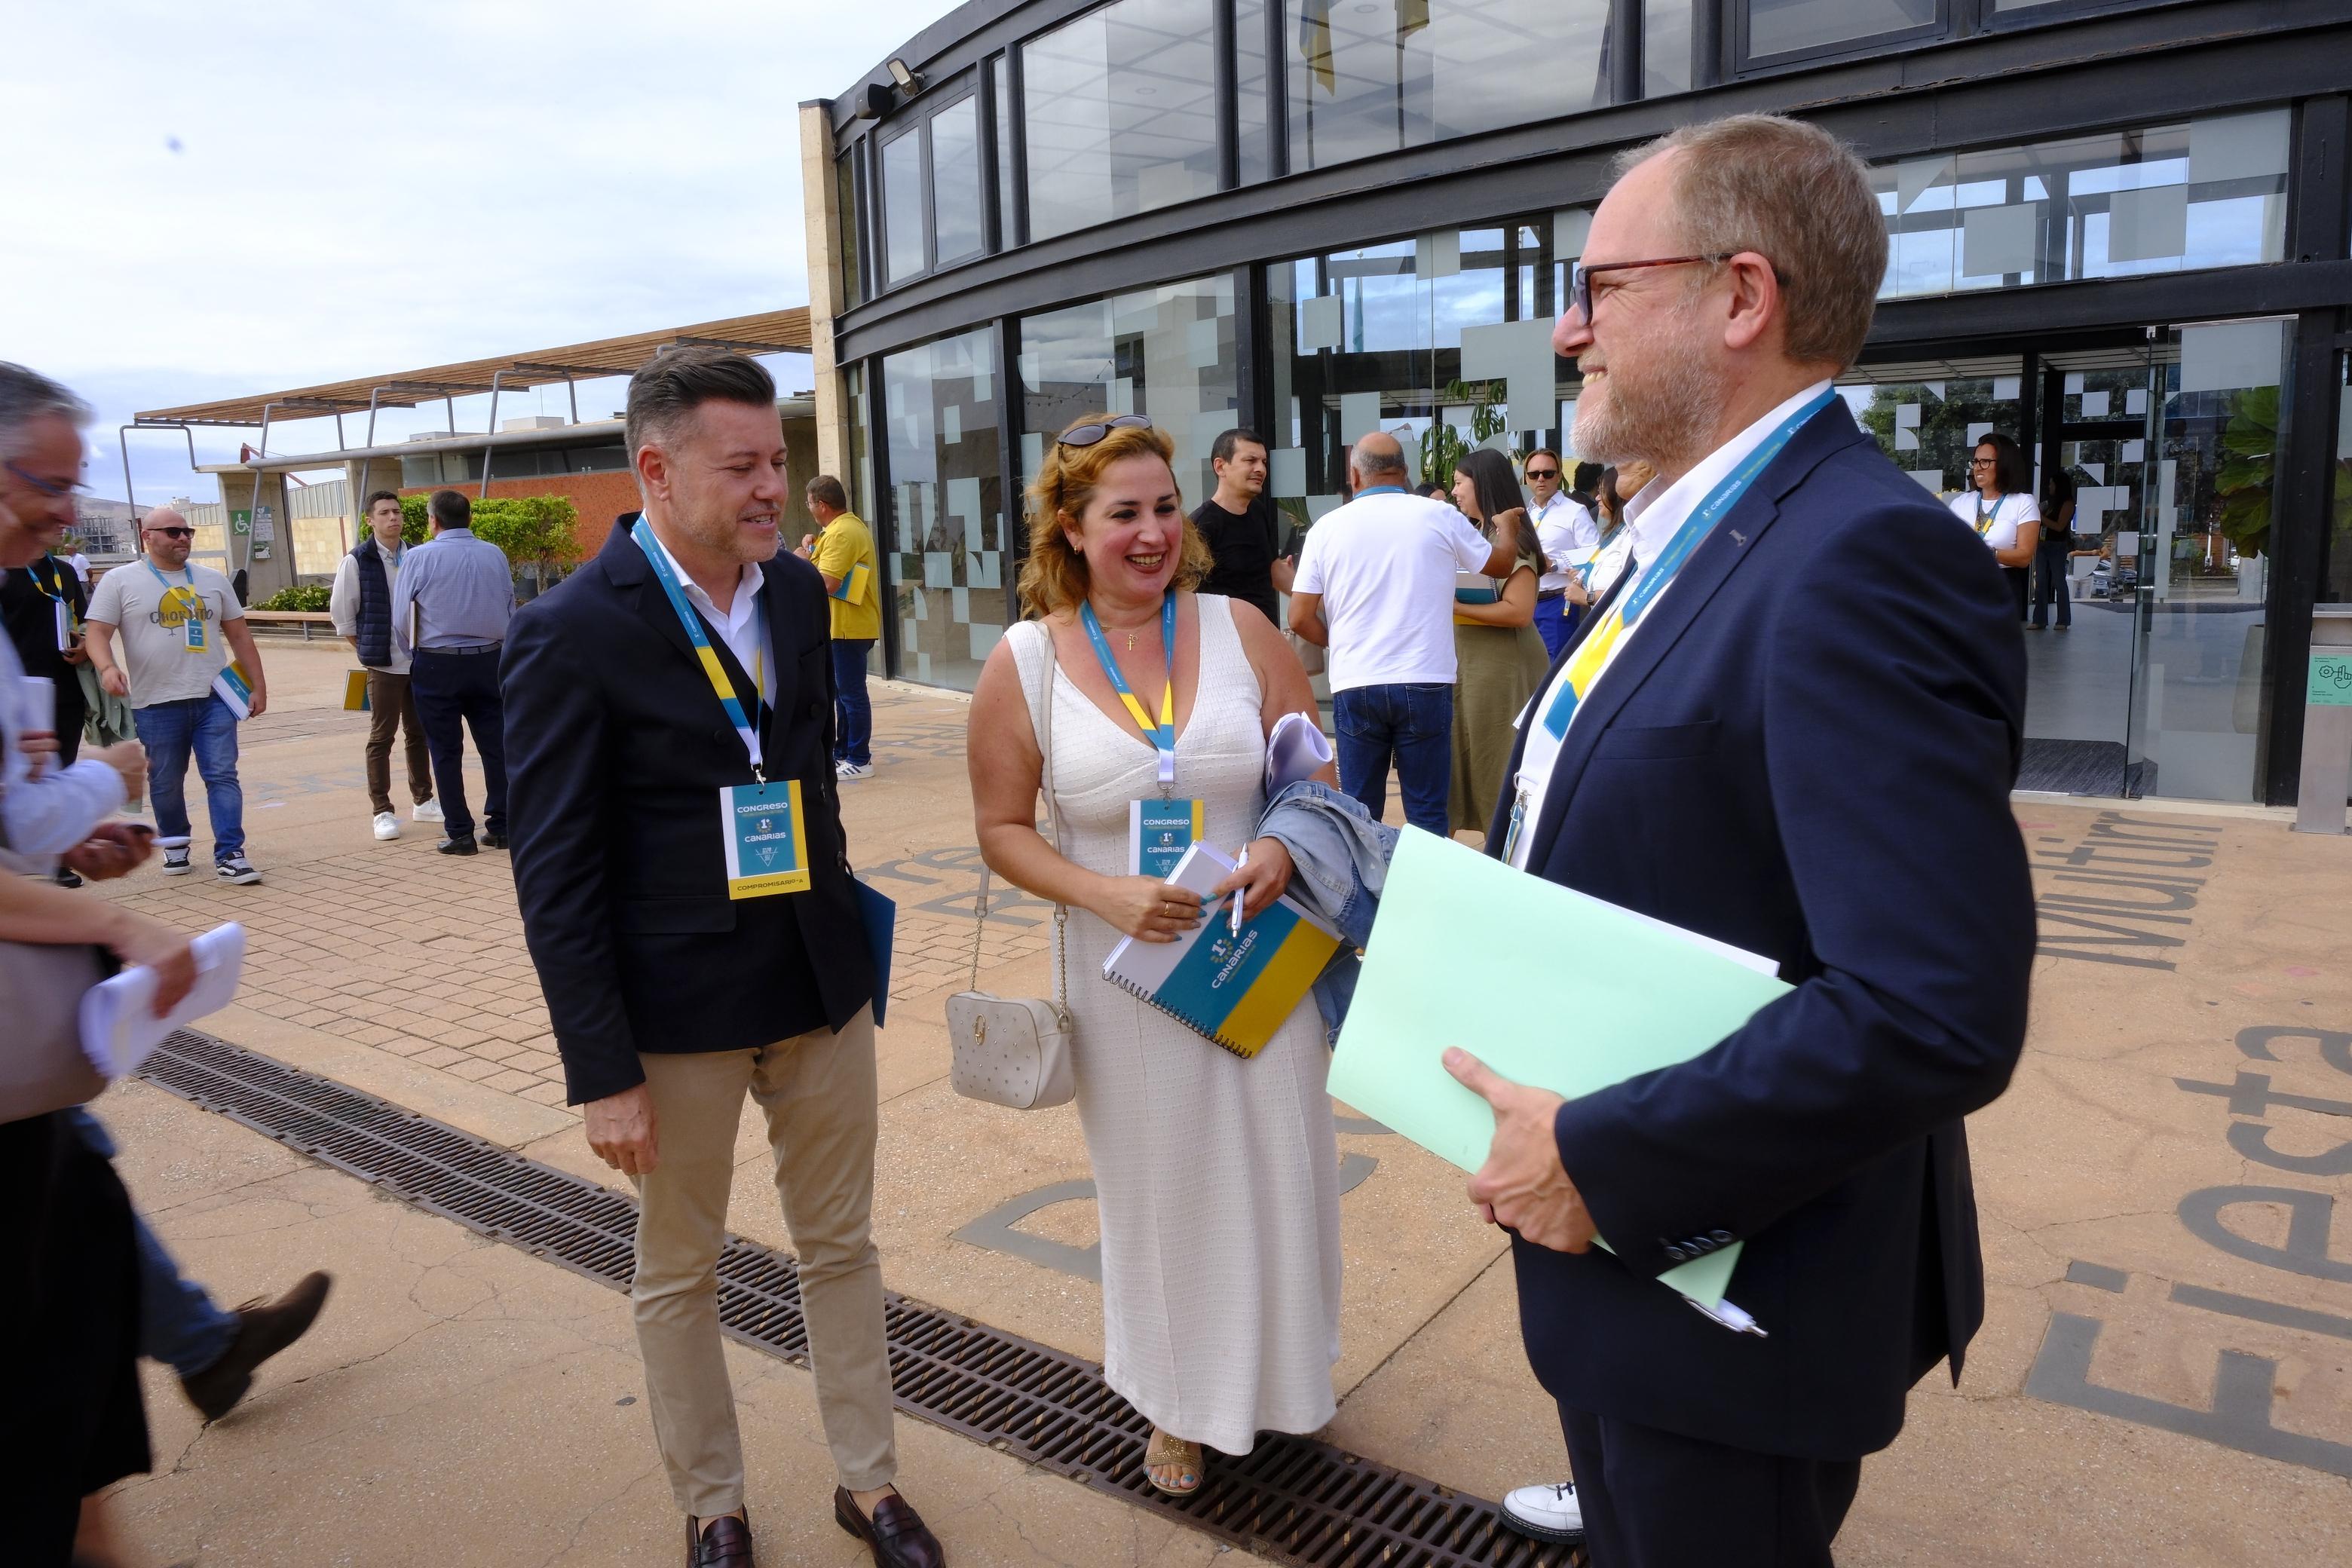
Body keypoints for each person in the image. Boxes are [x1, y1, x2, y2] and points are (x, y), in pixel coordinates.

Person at [1456, 115, 2030, 1566]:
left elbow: (1930, 1007)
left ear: (1740, 296)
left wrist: (1601, 1155)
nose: (1570, 329)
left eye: (1602, 287)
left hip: (1730, 1287)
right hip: (1633, 1271)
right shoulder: (1704, 531)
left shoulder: (1857, 557)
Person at [503, 348, 940, 1568]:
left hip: (815, 990)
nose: (770, 487)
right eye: (741, 465)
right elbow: (556, 872)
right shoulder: (569, 634)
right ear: (657, 468)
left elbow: (803, 787)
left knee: (842, 1245)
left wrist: (854, 946)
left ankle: (871, 1482)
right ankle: (714, 1504)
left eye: (778, 461)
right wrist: (603, 1067)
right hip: (674, 1016)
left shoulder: (794, 596)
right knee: (680, 1268)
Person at [966, 412, 1344, 1501]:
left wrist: (1278, 842)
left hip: (1256, 955)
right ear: (1071, 531)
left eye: (1166, 508)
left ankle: (1282, 1385)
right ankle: (1180, 1402)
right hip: (1125, 975)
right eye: (1123, 514)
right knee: (1161, 1192)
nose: (1152, 533)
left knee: (1282, 1170)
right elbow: (1001, 831)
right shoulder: (1025, 662)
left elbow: (1311, 775)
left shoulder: (1242, 629)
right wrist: (1103, 892)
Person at [1288, 430, 1523, 835]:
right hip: (1426, 678)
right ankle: (1422, 895)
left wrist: (1337, 641)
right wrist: (1508, 530)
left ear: (1355, 476)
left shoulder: (1327, 527)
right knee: (1428, 812)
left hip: (1357, 680)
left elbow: (1299, 617)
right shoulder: (1439, 515)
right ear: (1405, 473)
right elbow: (1500, 566)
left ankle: (1366, 895)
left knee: (1358, 813)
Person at [84, 505, 268, 885]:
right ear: (146, 537)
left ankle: (231, 853)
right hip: (156, 702)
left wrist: (258, 685)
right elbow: (97, 633)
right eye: (172, 532)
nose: (183, 538)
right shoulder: (119, 581)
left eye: (188, 532)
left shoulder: (212, 580)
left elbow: (239, 637)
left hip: (214, 698)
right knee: (166, 781)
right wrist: (107, 668)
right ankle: (175, 842)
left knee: (222, 774)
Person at [392, 488, 513, 855]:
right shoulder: (494, 554)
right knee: (497, 747)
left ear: (433, 521)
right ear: (470, 518)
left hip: (437, 662)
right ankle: (503, 826)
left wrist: (412, 654)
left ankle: (460, 833)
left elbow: (401, 617)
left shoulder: (419, 557)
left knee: (445, 750)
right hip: (490, 660)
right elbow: (510, 606)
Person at [1448, 448, 1552, 835]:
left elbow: (1518, 611)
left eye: (1460, 483)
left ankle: (1504, 850)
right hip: (1475, 665)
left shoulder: (1515, 541)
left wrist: (1455, 605)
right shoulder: (1478, 536)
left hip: (1503, 668)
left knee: (1497, 757)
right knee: (1472, 755)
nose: (1455, 492)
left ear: (1483, 485)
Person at [330, 489, 441, 839]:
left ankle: (423, 801)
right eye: (384, 513)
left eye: (397, 512)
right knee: (381, 737)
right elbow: (344, 620)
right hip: (384, 664)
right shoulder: (356, 561)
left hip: (420, 661)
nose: (393, 518)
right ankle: (382, 810)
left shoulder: (419, 555)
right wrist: (370, 651)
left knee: (419, 734)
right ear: (370, 519)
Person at [795, 474, 882, 781]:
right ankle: (843, 754)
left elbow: (827, 582)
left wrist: (801, 561)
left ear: (821, 504)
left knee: (851, 695)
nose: (808, 508)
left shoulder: (843, 533)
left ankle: (860, 758)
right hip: (844, 628)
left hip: (848, 629)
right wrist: (813, 545)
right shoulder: (843, 529)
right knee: (842, 696)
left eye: (808, 502)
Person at [1190, 427, 1292, 625]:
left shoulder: (1257, 511)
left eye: (1263, 462)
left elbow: (1273, 570)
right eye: (1250, 461)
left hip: (1266, 639)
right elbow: (1186, 594)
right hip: (1226, 645)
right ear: (1220, 467)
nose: (1260, 469)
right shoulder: (1201, 526)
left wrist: (1323, 602)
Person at [1952, 433, 2039, 623]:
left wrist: (1987, 552)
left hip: (2001, 586)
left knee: (1996, 651)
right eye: (1975, 462)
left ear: (2004, 464)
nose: (1977, 467)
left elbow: (2024, 557)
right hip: (1963, 585)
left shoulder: (2023, 502)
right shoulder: (1961, 502)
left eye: (1985, 462)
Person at [1523, 447, 1597, 659]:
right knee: (1530, 669)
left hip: (1558, 601)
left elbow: (1593, 560)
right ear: (1526, 478)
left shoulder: (1575, 511)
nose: (1540, 479)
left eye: (1548, 473)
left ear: (1559, 476)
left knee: (1553, 666)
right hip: (1527, 601)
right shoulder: (1525, 514)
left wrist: (1554, 565)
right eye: (1533, 474)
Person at [2031, 464, 2078, 632]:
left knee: (2059, 582)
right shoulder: (2050, 503)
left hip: (2057, 546)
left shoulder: (2067, 504)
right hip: (2043, 544)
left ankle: (2063, 620)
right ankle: (2040, 619)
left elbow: (2059, 526)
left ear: (2059, 485)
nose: (2049, 486)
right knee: (2041, 582)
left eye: (2052, 484)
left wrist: (2041, 518)